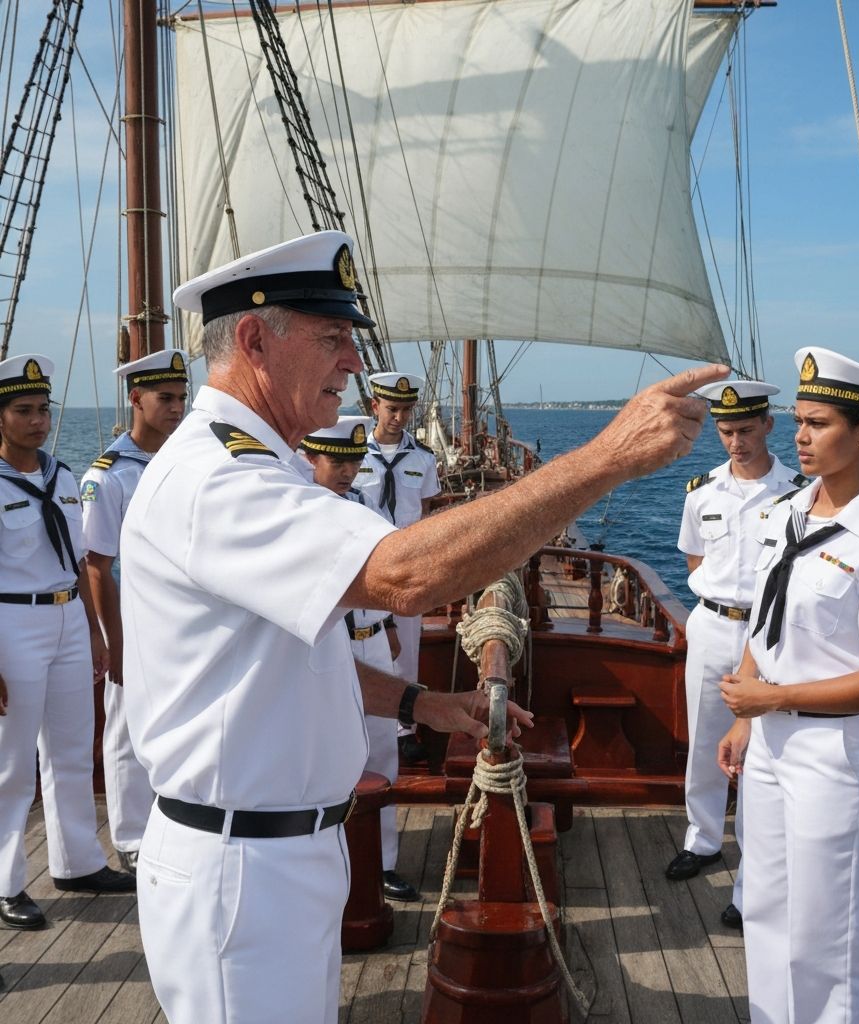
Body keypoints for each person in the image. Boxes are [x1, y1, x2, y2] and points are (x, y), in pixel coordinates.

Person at [119, 229, 725, 1024]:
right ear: (254, 339)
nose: (352, 363)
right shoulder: (219, 480)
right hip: (243, 870)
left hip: (280, 854)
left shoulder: (254, 466)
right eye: (333, 337)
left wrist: (418, 706)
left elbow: (277, 660)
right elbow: (406, 576)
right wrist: (605, 457)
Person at [717, 347, 859, 1024]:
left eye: (819, 423)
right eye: (798, 421)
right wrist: (748, 713)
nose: (801, 436)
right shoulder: (788, 512)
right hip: (772, 742)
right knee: (767, 909)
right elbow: (766, 620)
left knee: (824, 933)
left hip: (834, 754)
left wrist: (773, 698)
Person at [665, 380, 807, 934]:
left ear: (769, 425)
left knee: (763, 750)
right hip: (711, 624)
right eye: (726, 432)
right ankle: (702, 840)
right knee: (704, 737)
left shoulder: (798, 492)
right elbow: (694, 563)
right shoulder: (702, 491)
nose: (736, 442)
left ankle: (755, 866)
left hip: (769, 632)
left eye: (746, 430)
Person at [0, 354, 135, 932]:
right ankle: (6, 884)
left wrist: (93, 629)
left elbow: (78, 562)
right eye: (23, 411)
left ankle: (77, 861)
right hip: (12, 626)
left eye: (43, 410)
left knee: (74, 751)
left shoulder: (58, 475)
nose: (38, 421)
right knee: (10, 767)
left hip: (64, 622)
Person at [300, 414, 419, 902]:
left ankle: (382, 861)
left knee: (382, 751)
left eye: (353, 461)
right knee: (331, 755)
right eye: (336, 461)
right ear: (310, 458)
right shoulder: (301, 513)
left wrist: (389, 624)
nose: (347, 471)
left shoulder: (363, 502)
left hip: (371, 636)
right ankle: (326, 863)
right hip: (331, 643)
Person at [80, 349, 189, 874]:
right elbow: (98, 566)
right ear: (136, 398)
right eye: (165, 398)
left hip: (176, 619)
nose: (176, 407)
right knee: (124, 727)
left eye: (181, 398)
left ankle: (168, 824)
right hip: (131, 621)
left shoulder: (183, 462)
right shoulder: (110, 477)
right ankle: (129, 837)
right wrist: (115, 643)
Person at [357, 371, 440, 762]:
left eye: (407, 410)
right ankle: (358, 717)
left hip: (406, 568)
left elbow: (423, 515)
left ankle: (404, 728)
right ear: (374, 406)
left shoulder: (424, 460)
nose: (400, 418)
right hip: (365, 564)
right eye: (392, 409)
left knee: (406, 648)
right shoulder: (352, 456)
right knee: (359, 641)